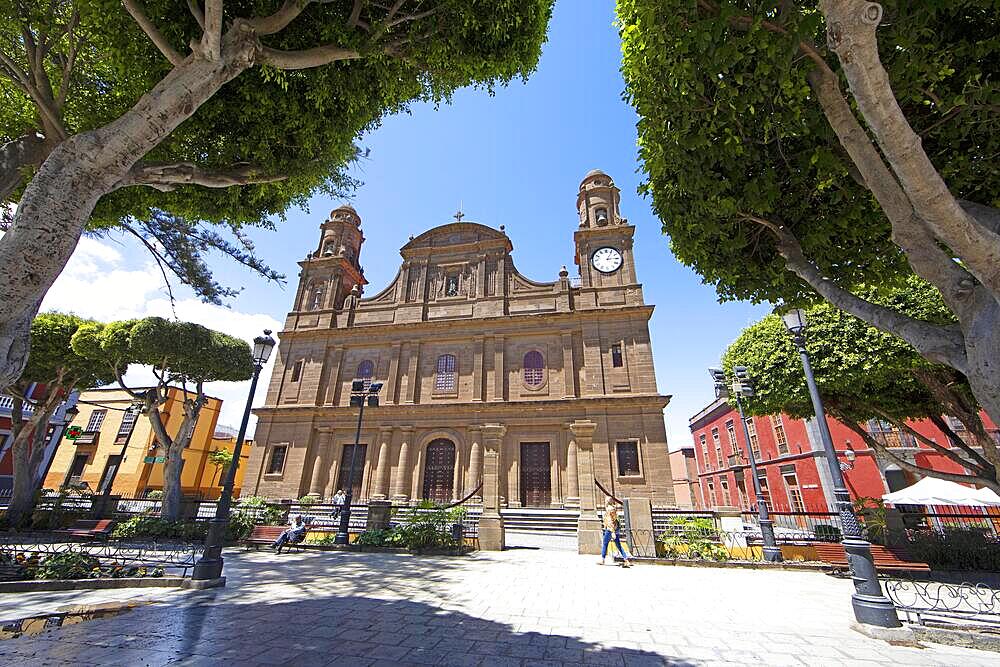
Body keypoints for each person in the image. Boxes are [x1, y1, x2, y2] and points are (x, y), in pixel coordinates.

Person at [599, 500, 632, 567]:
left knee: (605, 544)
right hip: (616, 529)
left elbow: (610, 521)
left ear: (607, 502)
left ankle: (602, 560)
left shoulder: (608, 510)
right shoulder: (613, 509)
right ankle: (626, 560)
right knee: (618, 545)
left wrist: (612, 531)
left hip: (610, 530)